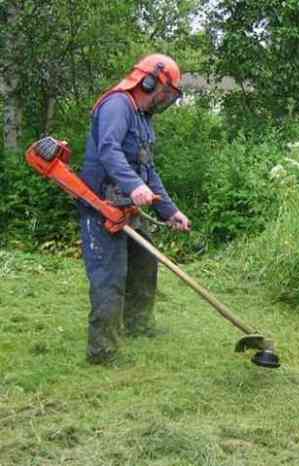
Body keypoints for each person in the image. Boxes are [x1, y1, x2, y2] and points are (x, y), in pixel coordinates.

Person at [79, 54, 191, 365]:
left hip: (127, 206)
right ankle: (102, 352)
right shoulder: (118, 105)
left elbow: (148, 170)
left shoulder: (142, 117)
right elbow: (108, 149)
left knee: (145, 264)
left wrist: (171, 212)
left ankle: (138, 326)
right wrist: (134, 186)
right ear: (149, 81)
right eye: (165, 92)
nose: (165, 100)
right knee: (109, 278)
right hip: (102, 206)